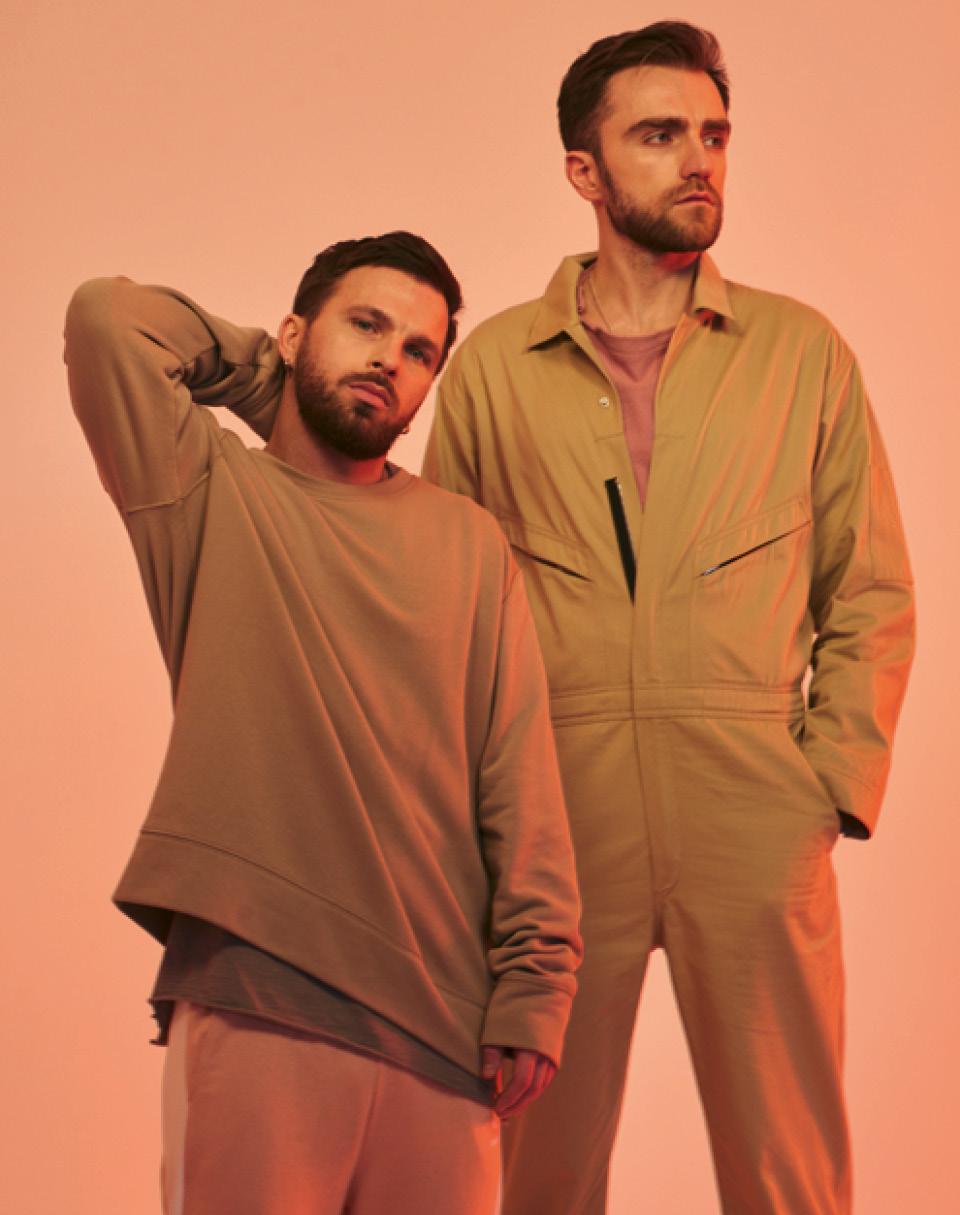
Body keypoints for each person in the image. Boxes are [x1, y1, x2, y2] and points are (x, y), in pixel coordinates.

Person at [423, 22, 915, 1215]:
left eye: (714, 134)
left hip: (754, 804)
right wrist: (475, 824)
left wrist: (825, 788)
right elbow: (443, 614)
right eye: (659, 135)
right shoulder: (494, 369)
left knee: (789, 1172)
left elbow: (869, 588)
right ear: (584, 171)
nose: (699, 159)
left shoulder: (801, 354)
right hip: (556, 815)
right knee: (533, 1166)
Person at [64, 230, 582, 1215]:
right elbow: (106, 321)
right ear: (298, 331)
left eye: (420, 351)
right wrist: (274, 385)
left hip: (447, 1030)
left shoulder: (470, 544)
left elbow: (518, 776)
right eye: (366, 325)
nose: (391, 359)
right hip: (262, 994)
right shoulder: (208, 494)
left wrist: (538, 982)